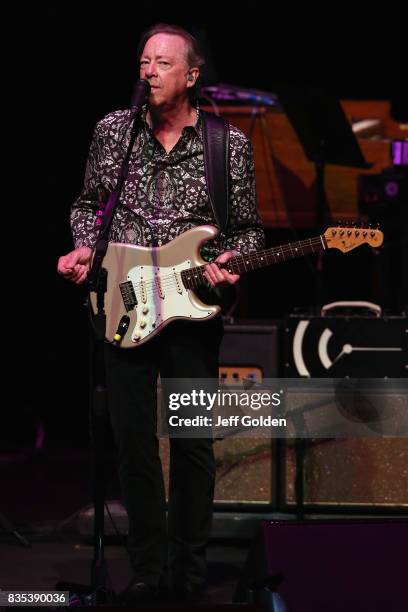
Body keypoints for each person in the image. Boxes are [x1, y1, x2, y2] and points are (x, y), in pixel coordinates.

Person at [57, 23, 264, 603]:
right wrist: (83, 247)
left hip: (194, 310)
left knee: (194, 444)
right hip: (122, 301)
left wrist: (233, 260)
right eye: (145, 60)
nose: (148, 71)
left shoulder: (228, 144)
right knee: (133, 443)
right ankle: (147, 571)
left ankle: (188, 574)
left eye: (163, 63)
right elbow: (88, 206)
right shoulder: (114, 132)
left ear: (191, 76)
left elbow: (248, 230)